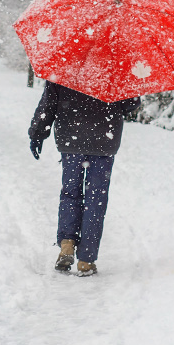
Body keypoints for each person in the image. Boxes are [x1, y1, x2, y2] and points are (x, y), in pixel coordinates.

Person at [28, 81, 140, 276]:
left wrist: (38, 132)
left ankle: (67, 244)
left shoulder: (65, 60)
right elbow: (130, 104)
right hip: (104, 139)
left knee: (70, 192)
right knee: (96, 198)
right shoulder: (116, 63)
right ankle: (86, 259)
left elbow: (49, 102)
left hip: (71, 137)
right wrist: (133, 83)